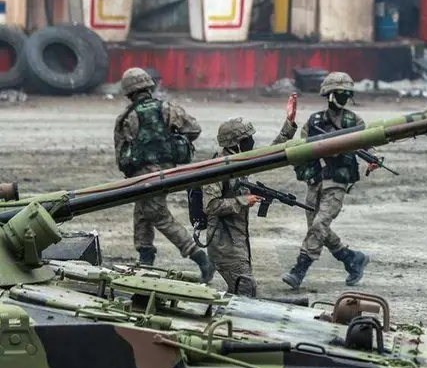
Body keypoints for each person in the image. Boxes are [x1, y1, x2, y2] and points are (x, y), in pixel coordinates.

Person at [113, 67, 216, 282]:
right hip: (167, 170)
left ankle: (200, 257)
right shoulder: (167, 108)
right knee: (143, 213)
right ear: (149, 86)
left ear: (128, 91)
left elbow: (121, 152)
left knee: (158, 216)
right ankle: (145, 259)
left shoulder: (127, 117)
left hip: (143, 174)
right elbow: (194, 129)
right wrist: (173, 142)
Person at [282, 72, 374, 289]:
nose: (343, 98)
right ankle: (352, 259)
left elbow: (368, 142)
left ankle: (299, 269)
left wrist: (374, 159)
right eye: (339, 93)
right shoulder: (314, 121)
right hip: (315, 181)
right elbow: (302, 148)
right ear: (329, 94)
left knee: (319, 224)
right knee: (318, 228)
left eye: (346, 94)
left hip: (337, 182)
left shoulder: (354, 121)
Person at [203, 95, 298, 295]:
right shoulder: (218, 168)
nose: (252, 142)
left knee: (240, 292)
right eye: (247, 139)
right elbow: (210, 205)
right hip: (224, 245)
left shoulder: (240, 161)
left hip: (236, 242)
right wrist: (242, 200)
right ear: (235, 143)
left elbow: (272, 153)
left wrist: (289, 123)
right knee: (246, 290)